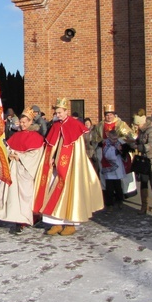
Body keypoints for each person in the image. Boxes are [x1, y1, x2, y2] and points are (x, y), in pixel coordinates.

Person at [34, 98, 104, 236]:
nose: (57, 115)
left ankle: (70, 223)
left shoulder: (74, 125)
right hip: (55, 166)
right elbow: (52, 145)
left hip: (70, 167)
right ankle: (56, 222)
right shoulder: (55, 125)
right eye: (56, 112)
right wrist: (51, 158)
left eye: (60, 112)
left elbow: (75, 148)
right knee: (52, 189)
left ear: (66, 111)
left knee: (69, 192)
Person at [0, 111, 45, 234]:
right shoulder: (17, 135)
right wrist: (10, 153)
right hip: (15, 169)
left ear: (31, 122)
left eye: (25, 122)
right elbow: (8, 148)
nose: (22, 125)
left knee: (26, 196)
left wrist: (21, 157)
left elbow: (36, 154)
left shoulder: (36, 137)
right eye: (21, 122)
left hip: (26, 170)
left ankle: (30, 217)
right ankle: (18, 222)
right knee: (14, 196)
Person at [101, 130, 126, 211]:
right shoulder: (106, 144)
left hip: (117, 168)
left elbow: (124, 152)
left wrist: (122, 151)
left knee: (118, 186)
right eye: (113, 139)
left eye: (116, 139)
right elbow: (107, 155)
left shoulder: (119, 143)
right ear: (109, 137)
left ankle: (120, 201)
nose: (115, 141)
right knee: (109, 188)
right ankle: (109, 204)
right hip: (109, 169)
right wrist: (116, 150)